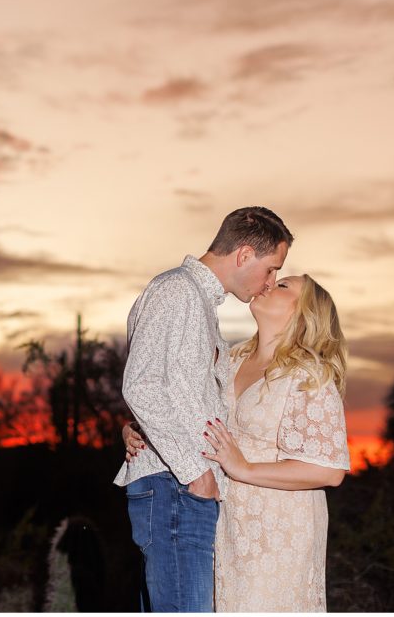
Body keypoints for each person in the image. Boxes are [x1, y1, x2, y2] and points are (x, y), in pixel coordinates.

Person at [123, 274, 351, 612]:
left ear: (305, 314)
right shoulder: (228, 360)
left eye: (284, 286)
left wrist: (243, 467)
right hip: (223, 518)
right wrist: (135, 428)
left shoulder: (309, 375)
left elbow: (329, 470)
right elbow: (184, 410)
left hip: (280, 527)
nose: (270, 284)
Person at [112, 206, 293, 612]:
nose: (271, 282)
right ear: (244, 255)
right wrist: (196, 474)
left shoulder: (197, 303)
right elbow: (141, 384)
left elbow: (168, 389)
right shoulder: (177, 291)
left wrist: (134, 426)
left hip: (181, 485)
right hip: (177, 485)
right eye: (271, 269)